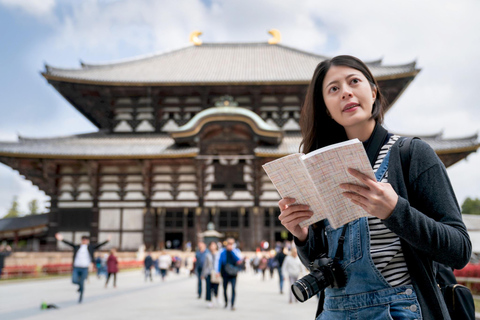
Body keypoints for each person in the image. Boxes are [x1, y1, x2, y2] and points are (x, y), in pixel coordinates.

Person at [277, 55, 471, 319]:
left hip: (398, 310)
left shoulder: (410, 154)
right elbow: (324, 265)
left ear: (373, 91)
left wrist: (396, 211)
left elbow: (459, 250)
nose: (345, 92)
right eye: (333, 89)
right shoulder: (319, 167)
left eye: (354, 81)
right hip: (333, 312)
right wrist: (302, 236)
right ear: (325, 107)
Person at [55, 233, 110, 303]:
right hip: (76, 267)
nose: (84, 241)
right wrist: (61, 239)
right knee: (74, 280)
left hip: (85, 267)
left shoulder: (90, 248)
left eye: (86, 240)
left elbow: (99, 245)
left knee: (82, 281)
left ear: (88, 241)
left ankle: (81, 296)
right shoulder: (77, 247)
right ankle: (80, 287)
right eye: (83, 240)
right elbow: (69, 244)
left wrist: (107, 240)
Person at [217, 237, 242, 311]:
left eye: (231, 243)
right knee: (224, 289)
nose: (230, 245)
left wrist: (232, 251)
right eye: (229, 243)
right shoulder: (222, 252)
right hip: (225, 273)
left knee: (233, 289)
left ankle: (232, 304)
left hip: (233, 273)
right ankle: (226, 302)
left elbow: (239, 260)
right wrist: (218, 271)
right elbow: (220, 262)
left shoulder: (236, 251)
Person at [201, 241, 221, 308]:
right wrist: (203, 274)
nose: (212, 247)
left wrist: (220, 272)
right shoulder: (207, 255)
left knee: (216, 286)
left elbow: (220, 264)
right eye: (211, 246)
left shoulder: (219, 254)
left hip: (216, 273)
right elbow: (205, 265)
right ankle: (210, 301)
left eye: (214, 245)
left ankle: (216, 296)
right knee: (208, 287)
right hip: (209, 272)